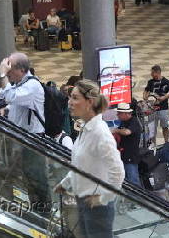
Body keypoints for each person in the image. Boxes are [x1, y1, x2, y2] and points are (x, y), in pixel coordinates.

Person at [55, 79, 125, 238]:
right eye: (70, 97)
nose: (70, 103)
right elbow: (80, 165)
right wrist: (65, 183)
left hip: (97, 207)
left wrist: (103, 198)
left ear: (90, 102)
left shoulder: (100, 133)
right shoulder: (86, 128)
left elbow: (118, 173)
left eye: (75, 98)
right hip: (83, 200)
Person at [0, 52, 48, 205]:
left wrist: (2, 75)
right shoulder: (23, 84)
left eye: (9, 70)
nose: (8, 73)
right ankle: (36, 206)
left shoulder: (32, 85)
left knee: (36, 177)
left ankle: (43, 210)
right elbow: (13, 100)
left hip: (32, 140)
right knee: (28, 176)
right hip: (23, 138)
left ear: (21, 70)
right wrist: (6, 109)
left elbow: (9, 96)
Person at [112, 103, 142, 186]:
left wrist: (116, 131)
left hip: (131, 157)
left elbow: (126, 132)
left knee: (133, 182)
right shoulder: (123, 122)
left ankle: (137, 198)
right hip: (124, 156)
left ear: (125, 113)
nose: (117, 115)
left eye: (119, 113)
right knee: (126, 182)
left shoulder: (134, 121)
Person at [143, 65, 169, 143]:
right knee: (152, 128)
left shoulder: (166, 82)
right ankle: (153, 145)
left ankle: (166, 143)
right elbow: (146, 90)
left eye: (152, 73)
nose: (151, 74)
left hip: (163, 108)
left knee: (165, 127)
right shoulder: (150, 82)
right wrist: (145, 96)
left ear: (158, 72)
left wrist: (163, 98)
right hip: (152, 109)